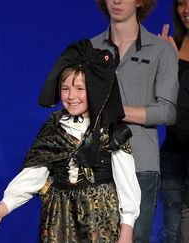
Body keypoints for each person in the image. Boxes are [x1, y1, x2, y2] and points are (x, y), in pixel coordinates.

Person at [0, 39, 141, 242]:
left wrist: (127, 229)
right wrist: (1, 210)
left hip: (100, 220)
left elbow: (126, 182)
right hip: (59, 219)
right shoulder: (54, 127)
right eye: (65, 89)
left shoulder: (111, 131)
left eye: (79, 88)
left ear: (93, 90)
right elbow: (33, 175)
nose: (71, 96)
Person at [92, 0, 179, 241]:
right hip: (96, 163)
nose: (116, 1)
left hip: (140, 164)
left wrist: (118, 111)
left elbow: (167, 112)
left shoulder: (161, 50)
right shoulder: (91, 49)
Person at [159, 1, 189, 242]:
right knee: (172, 227)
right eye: (181, 3)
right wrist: (167, 61)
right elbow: (163, 99)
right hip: (173, 150)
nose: (186, 10)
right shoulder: (173, 45)